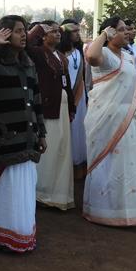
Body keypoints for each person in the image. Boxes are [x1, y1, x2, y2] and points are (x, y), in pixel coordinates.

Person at [0, 16, 45, 252]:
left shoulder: (28, 63)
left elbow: (36, 100)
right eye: (17, 31)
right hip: (5, 140)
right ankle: (5, 237)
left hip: (28, 137)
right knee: (9, 190)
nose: (23, 35)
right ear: (5, 34)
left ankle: (23, 235)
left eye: (24, 30)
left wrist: (42, 133)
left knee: (25, 189)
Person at [82, 17, 136, 227]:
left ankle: (127, 210)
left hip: (128, 119)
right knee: (106, 163)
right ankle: (102, 210)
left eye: (127, 29)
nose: (127, 32)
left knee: (127, 164)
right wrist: (103, 35)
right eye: (120, 30)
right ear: (110, 33)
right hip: (105, 118)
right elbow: (91, 56)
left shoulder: (128, 57)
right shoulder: (104, 54)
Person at [26, 21, 75, 210]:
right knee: (50, 150)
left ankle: (57, 193)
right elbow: (26, 44)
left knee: (61, 149)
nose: (57, 34)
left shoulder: (61, 56)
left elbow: (66, 83)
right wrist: (39, 28)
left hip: (62, 107)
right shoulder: (38, 53)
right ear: (44, 36)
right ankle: (42, 192)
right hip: (47, 108)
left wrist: (71, 107)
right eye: (52, 31)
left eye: (58, 31)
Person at [59, 19, 88, 170]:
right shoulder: (58, 53)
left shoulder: (79, 51)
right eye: (74, 31)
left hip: (79, 96)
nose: (77, 34)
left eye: (78, 31)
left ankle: (78, 166)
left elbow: (81, 77)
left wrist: (76, 101)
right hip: (63, 97)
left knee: (78, 130)